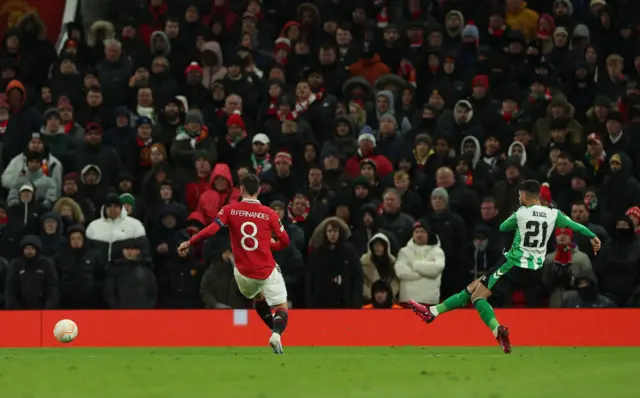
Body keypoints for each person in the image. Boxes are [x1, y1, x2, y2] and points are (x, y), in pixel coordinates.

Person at [407, 179, 601, 353]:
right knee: (476, 285)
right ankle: (432, 312)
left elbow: (502, 227)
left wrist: (518, 221)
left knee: (477, 298)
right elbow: (575, 226)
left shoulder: (521, 212)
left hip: (514, 264)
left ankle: (496, 330)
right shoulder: (553, 213)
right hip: (536, 268)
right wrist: (593, 237)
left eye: (519, 195)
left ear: (524, 195)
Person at [178, 174, 291, 354]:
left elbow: (211, 230)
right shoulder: (270, 213)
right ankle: (276, 333)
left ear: (242, 189)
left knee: (258, 298)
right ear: (259, 190)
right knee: (281, 307)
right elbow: (285, 241)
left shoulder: (229, 210)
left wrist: (189, 242)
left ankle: (272, 331)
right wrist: (271, 244)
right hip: (265, 270)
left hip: (243, 273)